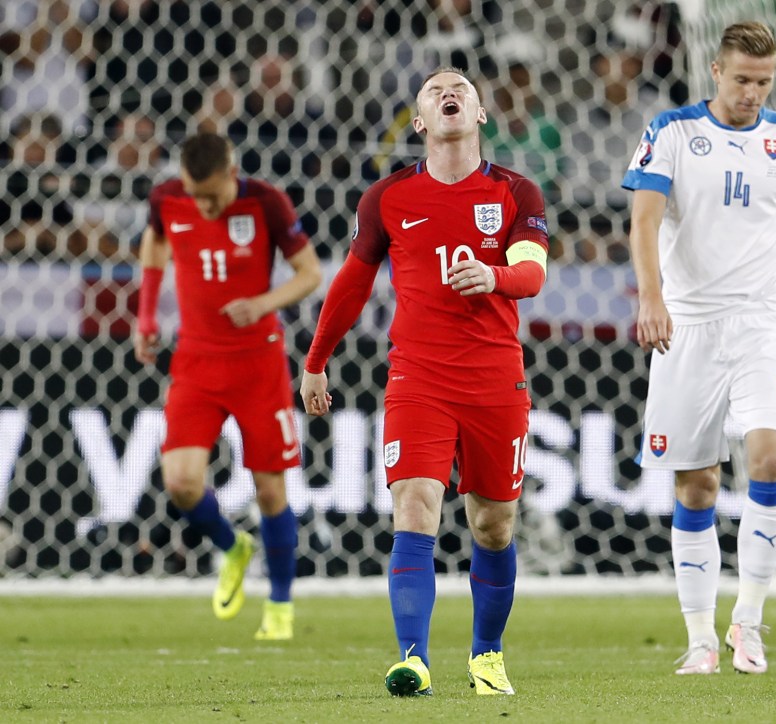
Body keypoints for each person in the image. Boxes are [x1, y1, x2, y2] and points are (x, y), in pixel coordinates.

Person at [299, 67, 549, 697]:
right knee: (414, 506)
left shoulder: (518, 193)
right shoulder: (386, 198)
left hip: (496, 381)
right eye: (437, 91)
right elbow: (352, 284)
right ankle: (413, 658)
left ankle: (487, 656)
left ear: (481, 114)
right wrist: (315, 360)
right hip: (418, 378)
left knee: (493, 524)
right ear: (419, 122)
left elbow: (532, 273)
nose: (450, 94)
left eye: (462, 89)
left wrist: (493, 277)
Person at [621, 21, 776, 675]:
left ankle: (748, 622)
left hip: (763, 324)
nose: (751, 93)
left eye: (762, 82)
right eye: (741, 79)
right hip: (689, 325)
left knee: (770, 460)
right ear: (716, 72)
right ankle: (699, 639)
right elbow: (644, 219)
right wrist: (651, 298)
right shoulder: (674, 132)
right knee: (698, 485)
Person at [133, 132, 322, 640]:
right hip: (196, 359)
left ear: (232, 170)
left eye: (213, 195)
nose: (204, 205)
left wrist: (262, 304)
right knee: (181, 482)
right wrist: (146, 313)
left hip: (257, 362)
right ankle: (232, 546)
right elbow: (155, 241)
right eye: (197, 195)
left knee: (269, 490)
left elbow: (310, 273)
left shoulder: (267, 202)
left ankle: (279, 605)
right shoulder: (167, 198)